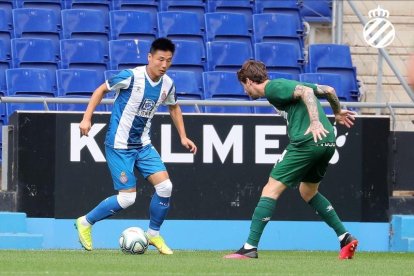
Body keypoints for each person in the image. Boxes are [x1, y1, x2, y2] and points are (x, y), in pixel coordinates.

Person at [224, 60, 358, 260]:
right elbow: (329, 90)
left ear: (250, 81)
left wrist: (314, 122)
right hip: (328, 141)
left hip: (307, 141)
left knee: (270, 189)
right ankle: (344, 237)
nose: (245, 91)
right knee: (308, 191)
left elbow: (306, 93)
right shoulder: (282, 87)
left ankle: (249, 247)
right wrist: (337, 112)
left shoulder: (273, 88)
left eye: (244, 86)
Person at [75, 38, 197, 255]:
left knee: (165, 187)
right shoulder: (131, 76)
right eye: (160, 59)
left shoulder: (168, 84)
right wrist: (86, 118)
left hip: (143, 145)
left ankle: (153, 234)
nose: (164, 65)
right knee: (127, 198)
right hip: (119, 145)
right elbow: (100, 90)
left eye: (168, 61)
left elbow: (174, 107)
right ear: (150, 57)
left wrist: (183, 137)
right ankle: (85, 222)